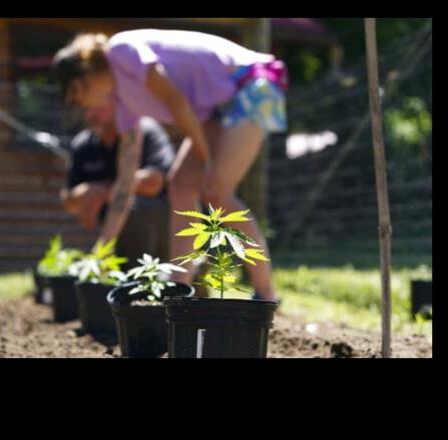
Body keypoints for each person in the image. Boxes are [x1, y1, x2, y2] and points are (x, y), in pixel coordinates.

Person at [52, 29, 288, 301]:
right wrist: (102, 250)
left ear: (84, 77)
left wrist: (206, 158)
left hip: (250, 81)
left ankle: (266, 293)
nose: (79, 104)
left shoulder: (121, 51)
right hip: (218, 106)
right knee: (181, 185)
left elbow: (176, 100)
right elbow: (125, 183)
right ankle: (179, 288)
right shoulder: (122, 103)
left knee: (217, 190)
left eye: (75, 94)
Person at [60, 100, 174, 265]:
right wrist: (85, 194)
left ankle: (137, 275)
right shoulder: (83, 145)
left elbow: (155, 182)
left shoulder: (145, 130)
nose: (89, 115)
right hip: (106, 228)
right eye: (87, 109)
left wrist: (104, 191)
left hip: (157, 222)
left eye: (97, 108)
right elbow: (68, 199)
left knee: (133, 206)